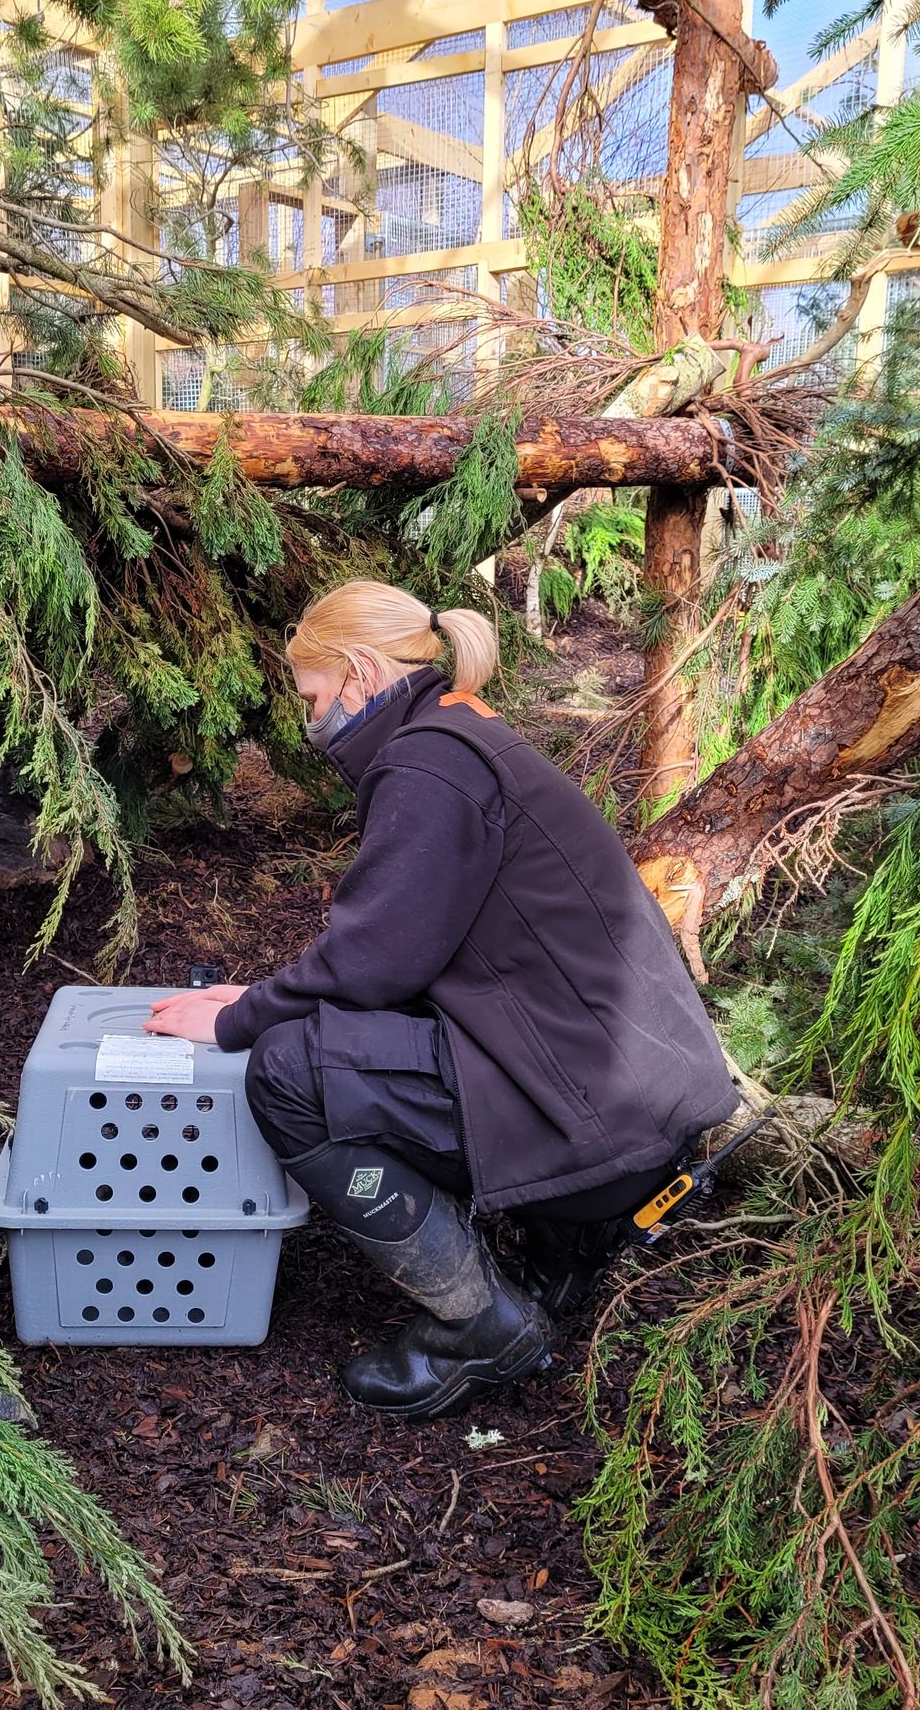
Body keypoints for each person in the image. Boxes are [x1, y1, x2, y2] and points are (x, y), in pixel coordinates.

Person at [144, 578, 740, 1420]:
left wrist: (243, 1019)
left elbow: (372, 962)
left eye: (312, 697)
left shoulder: (428, 766)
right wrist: (273, 993)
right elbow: (409, 946)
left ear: (355, 671)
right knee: (320, 1033)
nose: (309, 721)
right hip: (632, 1105)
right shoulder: (461, 733)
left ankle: (480, 1327)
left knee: (286, 1070)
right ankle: (564, 1247)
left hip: (596, 1125)